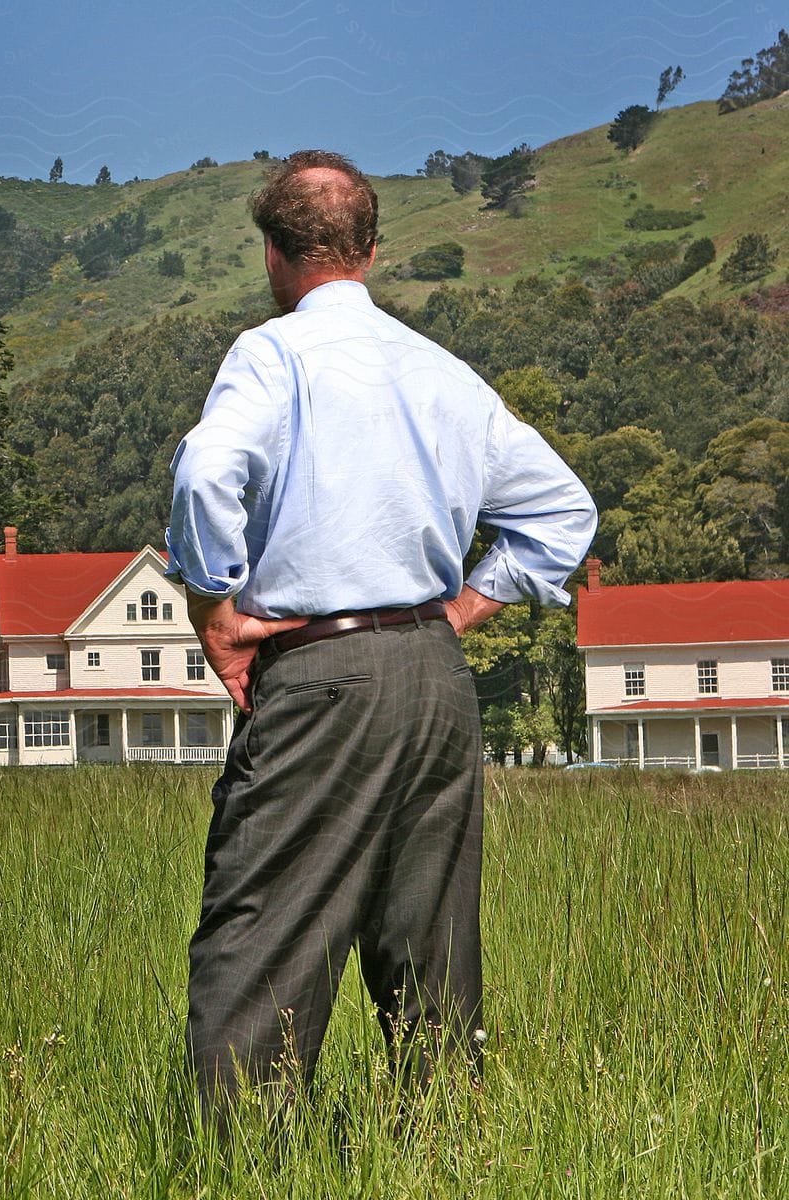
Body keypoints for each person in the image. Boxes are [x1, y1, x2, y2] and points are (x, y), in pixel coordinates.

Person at [164, 149, 596, 1123]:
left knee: (261, 942)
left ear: (274, 253)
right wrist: (468, 607)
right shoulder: (441, 374)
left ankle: (251, 1176)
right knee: (430, 949)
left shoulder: (272, 356)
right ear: (370, 247)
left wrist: (216, 610)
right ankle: (445, 1158)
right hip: (434, 677)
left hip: (321, 673)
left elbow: (203, 475)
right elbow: (564, 512)